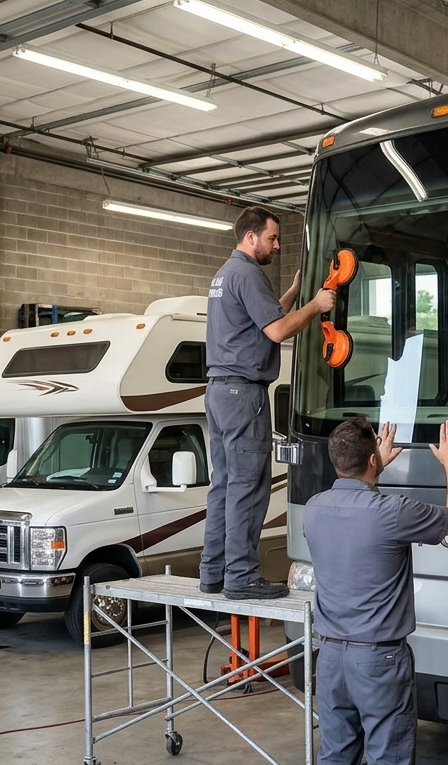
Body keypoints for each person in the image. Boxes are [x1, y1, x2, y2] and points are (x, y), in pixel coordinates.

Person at [304, 418, 448, 765]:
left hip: (330, 657)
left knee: (335, 755)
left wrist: (372, 464)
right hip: (379, 661)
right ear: (373, 460)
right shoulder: (393, 512)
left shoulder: (314, 508)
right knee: (389, 756)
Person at [201, 206, 335, 600]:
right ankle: (241, 577)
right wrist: (316, 306)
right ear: (250, 237)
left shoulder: (225, 275)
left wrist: (293, 295)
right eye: (273, 238)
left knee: (223, 485)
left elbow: (258, 319)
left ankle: (213, 572)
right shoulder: (248, 273)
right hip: (244, 394)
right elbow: (276, 331)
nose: (276, 246)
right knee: (249, 486)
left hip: (218, 392)